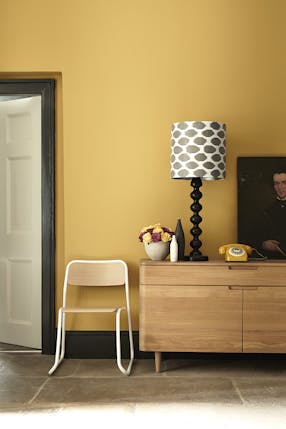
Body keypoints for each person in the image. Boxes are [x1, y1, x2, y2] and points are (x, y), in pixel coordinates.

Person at [260, 169, 286, 258]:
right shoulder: (268, 209)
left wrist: (277, 247)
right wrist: (263, 244)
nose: (280, 187)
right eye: (276, 183)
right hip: (271, 260)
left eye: (284, 182)